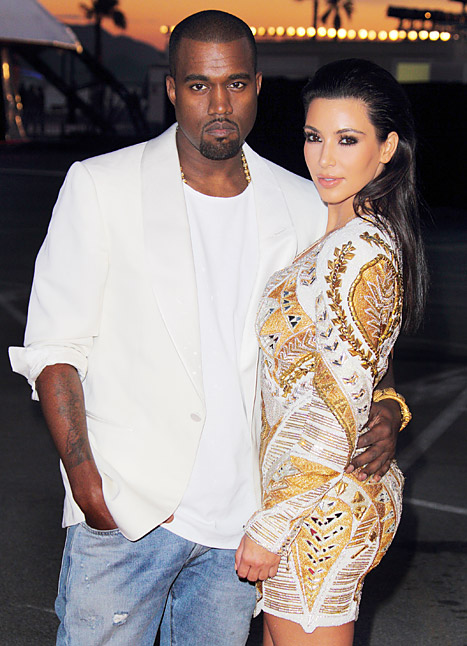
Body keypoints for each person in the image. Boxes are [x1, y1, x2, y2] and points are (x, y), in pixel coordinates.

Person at [9, 13, 404, 646]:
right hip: (129, 514)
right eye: (199, 85)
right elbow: (55, 349)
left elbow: (348, 339)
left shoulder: (304, 200)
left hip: (241, 525)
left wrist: (388, 403)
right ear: (172, 89)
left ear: (257, 86)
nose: (219, 105)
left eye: (236, 84)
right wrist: (89, 487)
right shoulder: (102, 185)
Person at [235, 58, 427, 645]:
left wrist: (270, 526)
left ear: (387, 148)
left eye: (348, 140)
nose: (324, 159)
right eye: (314, 137)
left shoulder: (360, 249)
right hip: (310, 500)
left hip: (317, 507)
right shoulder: (344, 235)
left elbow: (334, 403)